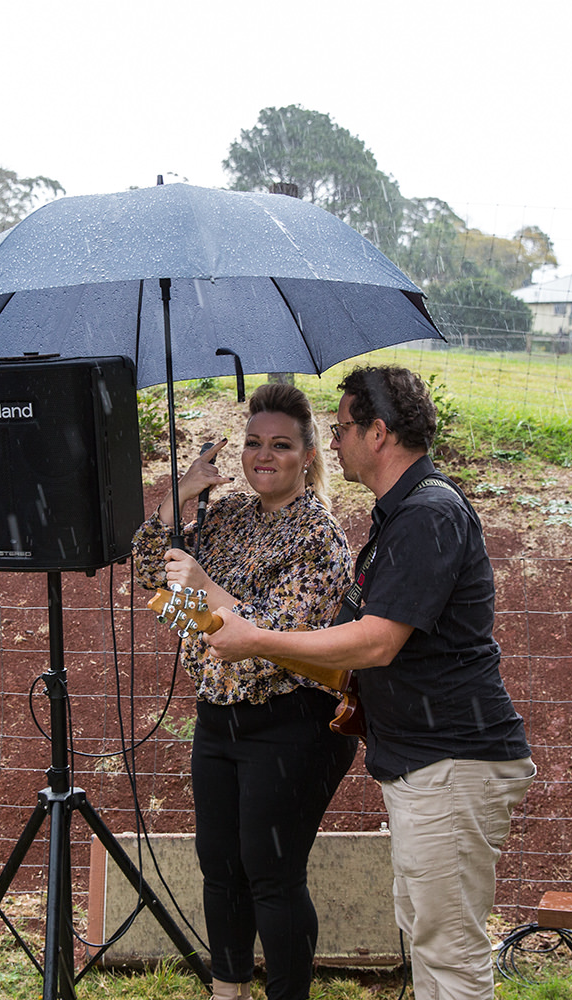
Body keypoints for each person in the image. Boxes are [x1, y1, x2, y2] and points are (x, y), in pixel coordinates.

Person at [204, 366, 535, 1000]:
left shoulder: (428, 515)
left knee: (449, 949)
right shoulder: (398, 517)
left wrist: (257, 639)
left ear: (379, 433)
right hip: (423, 760)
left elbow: (378, 641)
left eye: (344, 427)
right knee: (426, 934)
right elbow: (347, 639)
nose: (337, 440)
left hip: (453, 759)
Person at [133, 381, 356, 1000]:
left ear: (309, 455)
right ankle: (225, 991)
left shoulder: (320, 537)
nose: (264, 455)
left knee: (272, 874)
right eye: (254, 443)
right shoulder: (226, 515)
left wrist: (204, 588)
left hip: (291, 723)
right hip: (219, 718)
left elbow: (283, 634)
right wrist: (179, 497)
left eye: (281, 445)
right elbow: (150, 573)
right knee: (220, 867)